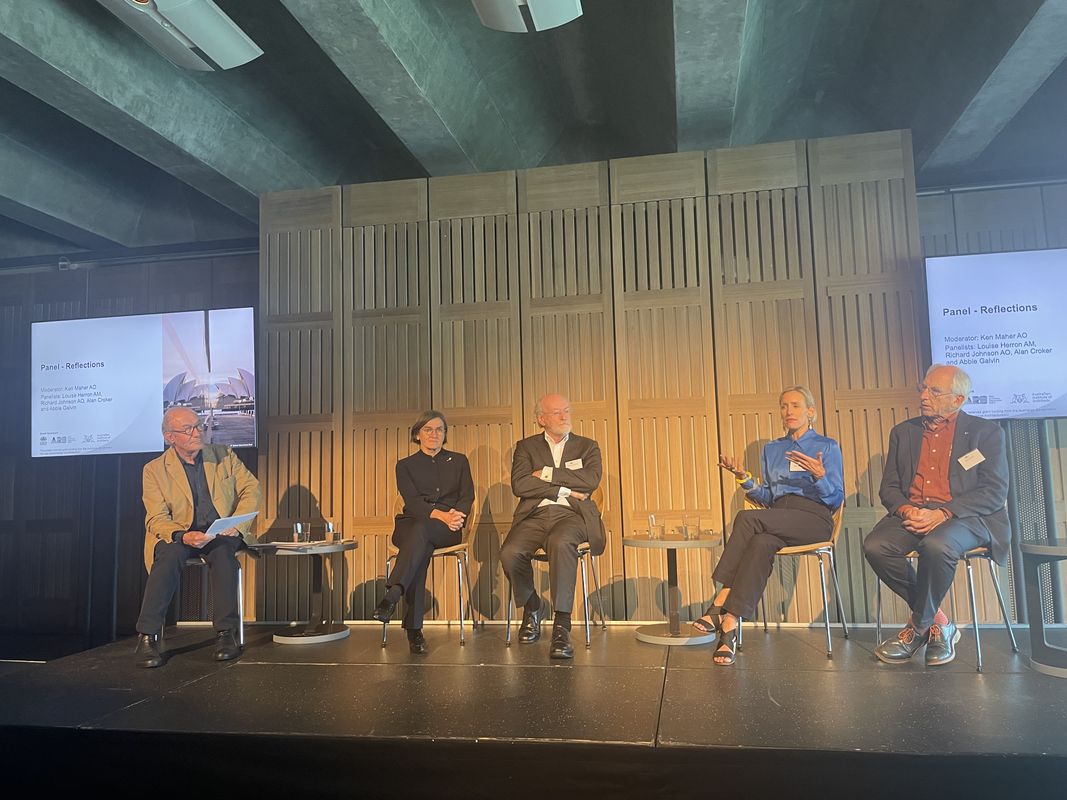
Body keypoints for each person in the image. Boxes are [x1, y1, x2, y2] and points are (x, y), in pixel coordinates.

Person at [863, 364, 1009, 666]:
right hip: (916, 511)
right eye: (923, 388)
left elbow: (994, 492)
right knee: (876, 546)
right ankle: (939, 623)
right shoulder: (903, 432)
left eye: (934, 391)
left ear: (958, 400)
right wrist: (907, 510)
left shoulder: (986, 433)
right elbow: (889, 488)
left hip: (965, 517)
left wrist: (944, 513)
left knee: (937, 545)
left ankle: (916, 629)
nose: (923, 396)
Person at [695, 386, 844, 666]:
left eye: (796, 406)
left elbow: (836, 498)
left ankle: (721, 598)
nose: (789, 411)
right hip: (779, 516)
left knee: (746, 518)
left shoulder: (826, 446)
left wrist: (820, 476)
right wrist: (744, 478)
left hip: (814, 518)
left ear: (811, 412)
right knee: (760, 541)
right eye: (784, 406)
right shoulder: (773, 449)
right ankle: (729, 625)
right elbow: (768, 497)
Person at [134, 407, 260, 668]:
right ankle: (148, 635)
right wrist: (181, 535)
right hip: (180, 533)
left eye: (198, 426)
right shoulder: (154, 470)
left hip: (220, 532)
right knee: (168, 555)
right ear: (170, 437)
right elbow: (155, 517)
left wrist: (237, 525)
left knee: (223, 552)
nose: (197, 432)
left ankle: (226, 633)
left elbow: (251, 488)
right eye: (188, 429)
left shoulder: (224, 455)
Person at [500, 394, 605, 659]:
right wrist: (564, 489)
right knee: (510, 553)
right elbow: (520, 485)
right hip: (535, 515)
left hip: (572, 515)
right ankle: (533, 606)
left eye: (566, 410)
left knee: (561, 543)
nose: (564, 416)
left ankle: (561, 626)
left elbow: (590, 480)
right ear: (541, 419)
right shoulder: (526, 447)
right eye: (556, 412)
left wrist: (546, 474)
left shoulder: (587, 446)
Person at [374, 410, 474, 655]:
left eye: (439, 429)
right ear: (417, 435)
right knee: (420, 541)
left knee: (419, 542)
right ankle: (412, 627)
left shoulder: (459, 461)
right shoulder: (405, 465)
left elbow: (467, 496)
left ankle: (396, 598)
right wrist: (442, 515)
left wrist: (456, 517)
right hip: (411, 523)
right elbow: (413, 503)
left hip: (447, 529)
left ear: (445, 434)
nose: (434, 434)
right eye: (428, 429)